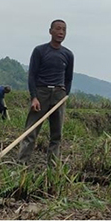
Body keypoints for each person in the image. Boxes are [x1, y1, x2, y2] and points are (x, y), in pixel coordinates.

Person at [17, 19, 74, 165]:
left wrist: (65, 95)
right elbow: (32, 75)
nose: (61, 32)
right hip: (41, 93)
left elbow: (68, 78)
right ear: (50, 31)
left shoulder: (68, 55)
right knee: (31, 131)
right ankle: (22, 164)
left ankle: (52, 167)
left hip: (59, 95)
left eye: (64, 30)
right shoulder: (40, 51)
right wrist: (34, 97)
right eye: (58, 29)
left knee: (57, 134)